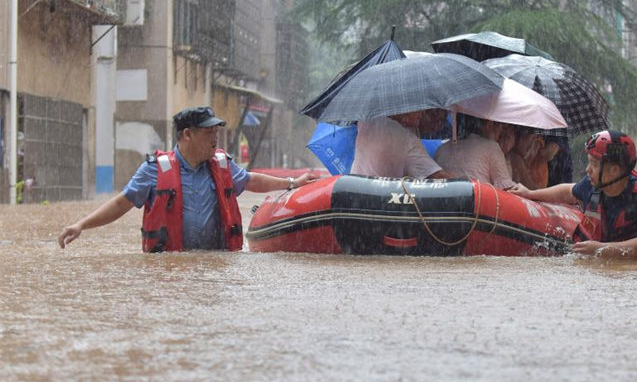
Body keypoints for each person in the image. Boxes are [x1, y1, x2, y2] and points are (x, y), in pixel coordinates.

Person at [58, 106, 317, 252]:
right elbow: (121, 203)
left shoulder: (221, 164)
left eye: (216, 132)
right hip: (170, 270)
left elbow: (250, 180)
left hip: (215, 265)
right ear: (187, 135)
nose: (215, 139)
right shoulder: (154, 170)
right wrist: (81, 225)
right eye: (209, 133)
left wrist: (292, 184)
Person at [510, 129, 637, 259]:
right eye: (589, 162)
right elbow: (568, 192)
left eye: (594, 164)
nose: (587, 170)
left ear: (614, 170)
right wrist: (531, 194)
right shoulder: (592, 184)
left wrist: (600, 249)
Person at [350, 111, 452, 179]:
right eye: (415, 106)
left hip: (354, 188)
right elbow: (439, 178)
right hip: (378, 202)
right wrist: (465, 187)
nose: (422, 112)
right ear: (402, 107)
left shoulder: (368, 119)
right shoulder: (406, 138)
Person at [434, 117, 515, 189]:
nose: (501, 132)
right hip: (478, 203)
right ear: (489, 124)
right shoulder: (491, 147)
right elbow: (506, 188)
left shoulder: (441, 149)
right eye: (501, 127)